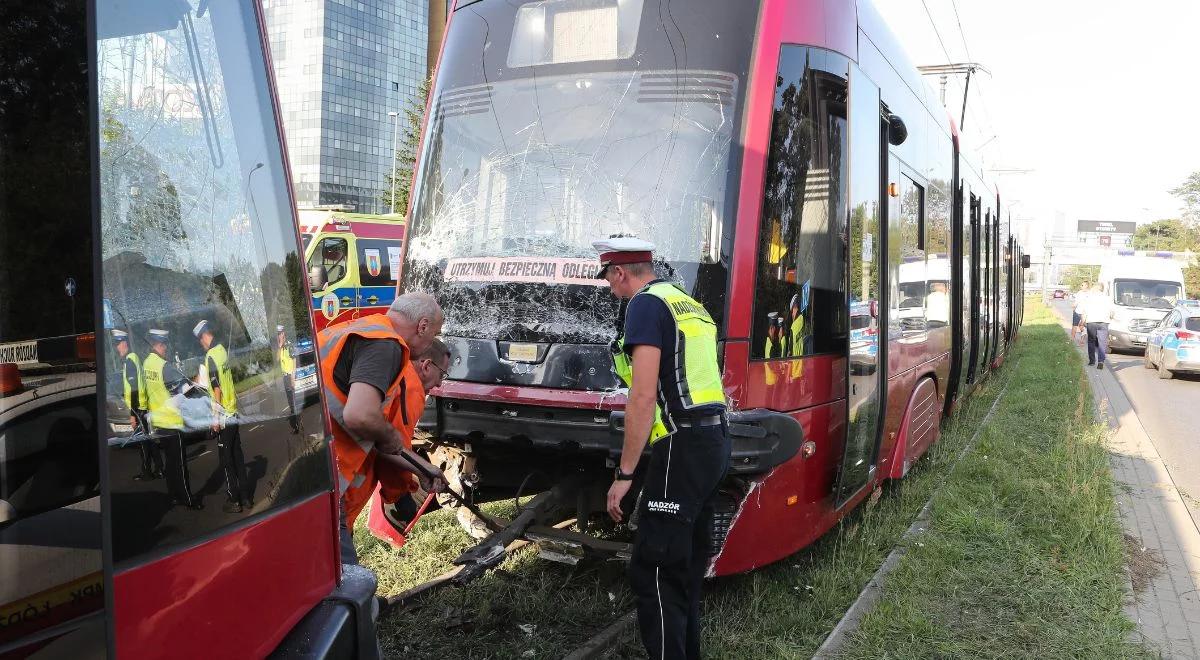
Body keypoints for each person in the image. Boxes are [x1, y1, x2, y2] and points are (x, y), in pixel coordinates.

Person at [594, 237, 730, 660]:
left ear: (620, 272)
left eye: (610, 280)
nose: (612, 291)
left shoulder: (646, 305)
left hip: (683, 445)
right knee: (684, 569)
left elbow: (642, 395)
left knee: (654, 569)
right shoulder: (686, 302)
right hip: (714, 441)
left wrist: (625, 475)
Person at [317, 293, 448, 563]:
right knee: (343, 582)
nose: (427, 344)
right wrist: (389, 434)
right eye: (433, 333)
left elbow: (369, 430)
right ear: (422, 326)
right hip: (325, 479)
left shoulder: (354, 329)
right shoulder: (385, 345)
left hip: (302, 469)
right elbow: (361, 416)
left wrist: (422, 468)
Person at [194, 320, 249, 513]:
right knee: (238, 456)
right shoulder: (222, 351)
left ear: (203, 336)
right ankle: (246, 497)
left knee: (226, 461)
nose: (201, 344)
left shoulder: (210, 357)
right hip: (233, 412)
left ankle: (234, 500)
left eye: (200, 340)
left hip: (224, 417)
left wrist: (215, 419)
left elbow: (216, 389)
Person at [143, 329, 200, 509]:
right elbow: (184, 389)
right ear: (158, 344)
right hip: (172, 422)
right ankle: (187, 498)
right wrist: (196, 382)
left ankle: (173, 495)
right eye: (164, 345)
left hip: (159, 422)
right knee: (180, 464)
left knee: (169, 462)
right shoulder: (164, 366)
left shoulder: (147, 364)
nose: (166, 348)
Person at [114, 328, 163, 481]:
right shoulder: (134, 358)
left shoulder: (130, 361)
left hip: (138, 409)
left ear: (124, 343)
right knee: (149, 440)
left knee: (142, 442)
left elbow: (134, 389)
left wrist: (132, 414)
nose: (116, 348)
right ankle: (159, 469)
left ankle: (147, 472)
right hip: (142, 407)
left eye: (118, 345)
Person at [1081, 282, 1113, 369]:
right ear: (1102, 289)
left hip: (1091, 322)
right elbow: (1112, 312)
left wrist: (1083, 321)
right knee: (1102, 343)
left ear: (1094, 288)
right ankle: (1101, 361)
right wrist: (1110, 317)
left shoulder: (1089, 298)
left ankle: (1092, 361)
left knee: (1091, 341)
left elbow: (1084, 311)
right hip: (1104, 322)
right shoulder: (1108, 298)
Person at [277, 325, 301, 434]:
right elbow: (277, 359)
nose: (279, 336)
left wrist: (292, 377)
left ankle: (297, 426)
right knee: (291, 402)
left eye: (281, 334)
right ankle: (297, 424)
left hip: (290, 376)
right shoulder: (280, 348)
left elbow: (294, 361)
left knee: (293, 402)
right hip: (284, 377)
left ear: (284, 334)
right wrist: (279, 346)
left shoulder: (289, 345)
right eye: (278, 335)